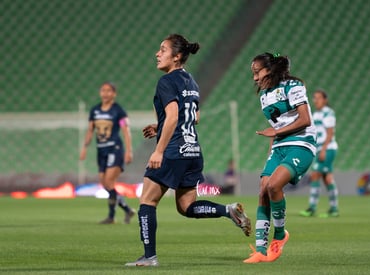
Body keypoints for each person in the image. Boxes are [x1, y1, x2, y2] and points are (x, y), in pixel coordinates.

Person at [125, 34, 251, 267]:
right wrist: (160, 126)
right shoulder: (191, 81)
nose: (157, 53)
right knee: (187, 207)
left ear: (177, 56)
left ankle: (149, 257)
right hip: (193, 151)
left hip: (172, 151)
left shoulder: (167, 81)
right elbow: (195, 117)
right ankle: (228, 210)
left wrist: (158, 151)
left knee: (147, 202)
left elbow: (173, 115)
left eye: (163, 49)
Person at [243, 53, 316, 264]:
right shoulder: (264, 94)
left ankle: (280, 235)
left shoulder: (292, 86)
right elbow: (276, 129)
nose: (255, 78)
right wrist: (270, 155)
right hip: (279, 146)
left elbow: (305, 119)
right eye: (253, 74)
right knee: (264, 188)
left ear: (270, 70)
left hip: (301, 144)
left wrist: (275, 132)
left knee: (274, 186)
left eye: (257, 72)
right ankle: (260, 251)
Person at [79, 82, 135, 224]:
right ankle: (127, 210)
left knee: (109, 181)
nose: (105, 93)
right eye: (103, 90)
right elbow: (90, 130)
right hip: (101, 150)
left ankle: (111, 216)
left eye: (109, 91)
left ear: (114, 94)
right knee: (105, 184)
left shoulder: (118, 111)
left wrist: (129, 150)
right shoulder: (95, 110)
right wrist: (85, 147)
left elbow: (125, 131)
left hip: (114, 149)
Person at [300, 90, 339, 218]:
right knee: (327, 178)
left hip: (327, 149)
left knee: (315, 175)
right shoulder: (316, 114)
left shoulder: (328, 113)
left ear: (325, 100)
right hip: (321, 148)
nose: (315, 100)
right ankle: (334, 208)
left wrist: (323, 149)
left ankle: (312, 207)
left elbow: (330, 133)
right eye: (314, 98)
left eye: (318, 98)